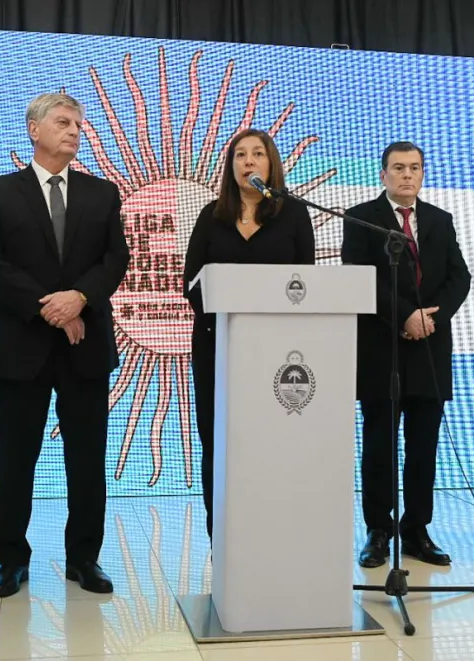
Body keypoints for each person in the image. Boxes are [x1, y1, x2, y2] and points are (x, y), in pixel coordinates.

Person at [0, 93, 129, 596]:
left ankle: (84, 559)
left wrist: (79, 297)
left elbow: (114, 260)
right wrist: (51, 308)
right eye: (63, 122)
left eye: (79, 124)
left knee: (87, 459)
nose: (74, 131)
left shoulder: (103, 194)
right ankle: (12, 560)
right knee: (15, 457)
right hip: (21, 346)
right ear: (33, 129)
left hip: (85, 347)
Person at [342, 142, 470, 568]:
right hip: (382, 346)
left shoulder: (440, 219)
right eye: (398, 168)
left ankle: (417, 529)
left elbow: (459, 276)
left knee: (423, 447)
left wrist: (431, 318)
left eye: (414, 168)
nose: (407, 175)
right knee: (379, 444)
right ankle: (379, 530)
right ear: (383, 175)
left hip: (430, 349)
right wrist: (405, 316)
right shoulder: (362, 218)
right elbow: (358, 278)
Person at [182, 128, 315, 540]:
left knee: (267, 441)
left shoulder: (293, 214)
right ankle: (218, 532)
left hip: (276, 353)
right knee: (217, 440)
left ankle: (268, 532)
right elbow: (191, 282)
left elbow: (305, 283)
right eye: (240, 155)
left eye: (258, 154)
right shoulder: (212, 216)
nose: (249, 161)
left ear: (271, 164)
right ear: (231, 166)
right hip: (216, 346)